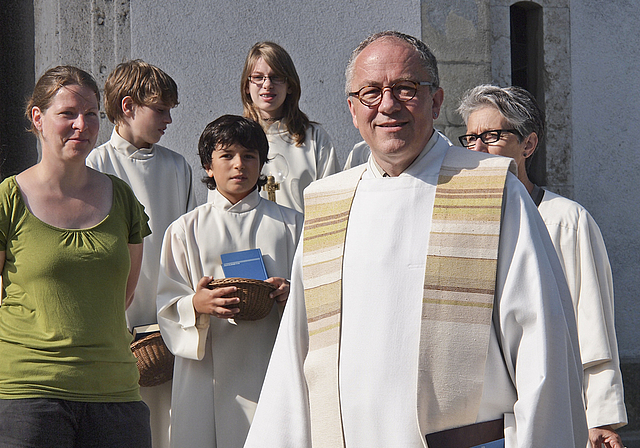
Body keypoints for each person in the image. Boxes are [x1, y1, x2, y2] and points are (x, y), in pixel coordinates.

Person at [244, 31, 588, 447]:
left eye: (406, 89)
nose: (387, 105)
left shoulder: (494, 190)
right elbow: (295, 351)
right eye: (371, 93)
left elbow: (542, 344)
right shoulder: (327, 203)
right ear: (353, 110)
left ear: (436, 101)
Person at [458, 84, 627, 448]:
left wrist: (600, 417)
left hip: (554, 409)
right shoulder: (461, 222)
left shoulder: (565, 221)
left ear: (528, 145)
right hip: (481, 422)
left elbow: (593, 322)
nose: (478, 148)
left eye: (492, 135)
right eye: (470, 138)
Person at [0, 66, 151, 447]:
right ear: (38, 118)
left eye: (91, 115)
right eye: (68, 113)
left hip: (115, 393)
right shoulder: (8, 199)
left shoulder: (123, 199)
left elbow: (125, 293)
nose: (81, 125)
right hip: (28, 396)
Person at [157, 115, 303, 447]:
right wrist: (195, 304)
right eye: (227, 156)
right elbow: (166, 304)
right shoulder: (184, 230)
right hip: (205, 371)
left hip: (271, 363)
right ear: (208, 166)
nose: (240, 165)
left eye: (249, 156)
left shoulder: (292, 225)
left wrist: (291, 293)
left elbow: (318, 295)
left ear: (262, 163)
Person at [86, 59, 196, 448]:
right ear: (128, 106)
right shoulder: (95, 165)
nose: (168, 120)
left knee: (169, 428)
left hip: (168, 321)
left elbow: (187, 245)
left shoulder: (177, 167)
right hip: (117, 324)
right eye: (160, 110)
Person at [238, 41, 340, 212]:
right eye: (258, 77)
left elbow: (331, 202)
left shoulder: (314, 138)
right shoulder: (235, 138)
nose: (267, 84)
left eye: (276, 76)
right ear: (247, 86)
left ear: (290, 85)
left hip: (302, 236)